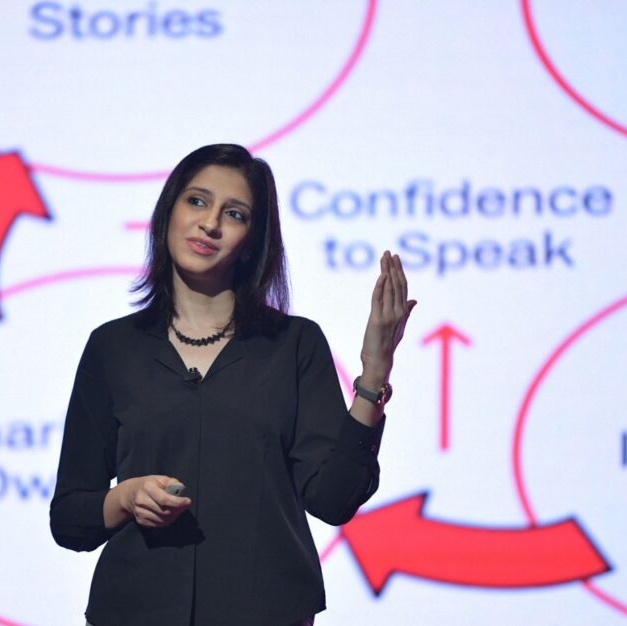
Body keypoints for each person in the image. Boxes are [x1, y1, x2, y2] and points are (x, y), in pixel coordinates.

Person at [49, 144, 415, 626]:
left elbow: (333, 499)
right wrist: (126, 497)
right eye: (196, 201)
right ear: (169, 213)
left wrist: (373, 375)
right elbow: (70, 518)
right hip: (137, 608)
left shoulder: (294, 344)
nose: (210, 224)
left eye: (234, 213)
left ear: (252, 240)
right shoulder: (112, 348)